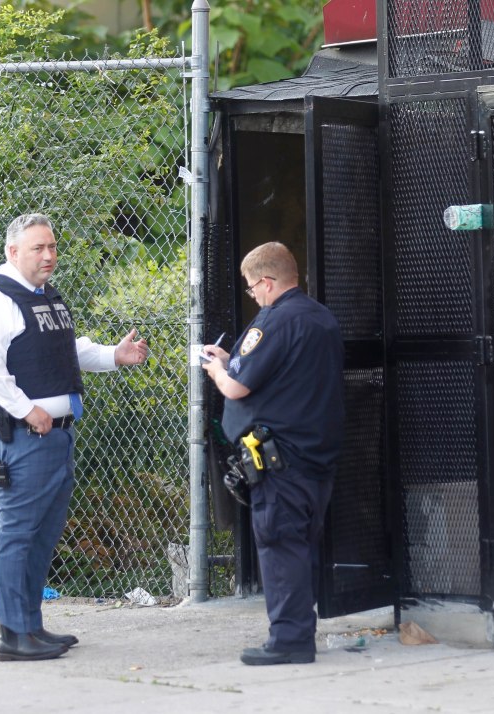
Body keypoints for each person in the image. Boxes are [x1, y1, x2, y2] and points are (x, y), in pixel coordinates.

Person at [0, 213, 149, 662]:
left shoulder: (42, 296)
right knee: (17, 533)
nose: (49, 255)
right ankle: (12, 635)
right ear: (12, 252)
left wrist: (113, 356)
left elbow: (65, 349)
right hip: (21, 437)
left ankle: (31, 626)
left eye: (52, 247)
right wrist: (27, 410)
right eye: (38, 248)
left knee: (41, 535)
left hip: (54, 437)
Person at [201, 241, 344, 666]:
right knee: (301, 545)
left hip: (281, 459)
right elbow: (284, 374)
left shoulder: (273, 322)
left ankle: (290, 639)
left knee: (280, 543)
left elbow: (237, 387)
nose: (253, 296)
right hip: (317, 454)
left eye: (251, 288)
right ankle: (298, 630)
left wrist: (216, 369)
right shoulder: (321, 318)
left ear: (267, 281)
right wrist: (234, 360)